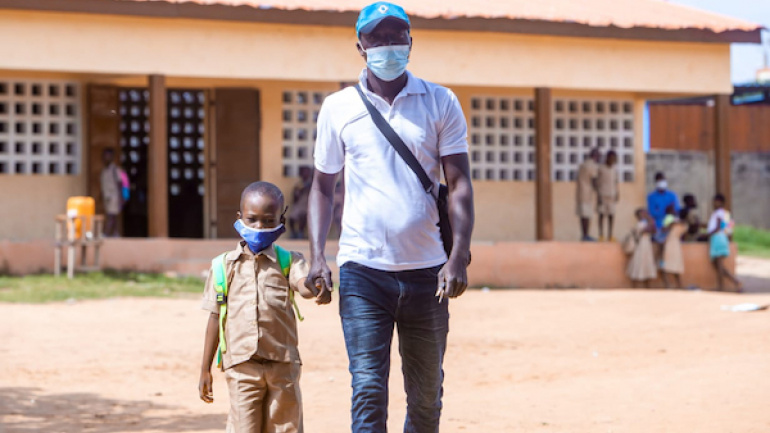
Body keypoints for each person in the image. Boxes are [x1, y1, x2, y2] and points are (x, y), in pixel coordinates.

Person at [306, 3, 474, 432]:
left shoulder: (441, 101)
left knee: (425, 396)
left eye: (396, 36)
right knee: (367, 389)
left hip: (427, 275)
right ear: (360, 46)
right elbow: (323, 187)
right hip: (363, 271)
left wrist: (457, 257)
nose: (387, 46)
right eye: (377, 38)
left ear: (411, 43)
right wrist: (317, 257)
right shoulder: (338, 108)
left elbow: (459, 185)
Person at [197, 181, 327, 433]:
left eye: (268, 221)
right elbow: (215, 317)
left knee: (286, 427)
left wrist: (316, 285)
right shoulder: (223, 267)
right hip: (241, 365)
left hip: (283, 365)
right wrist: (205, 369)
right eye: (252, 219)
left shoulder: (289, 261)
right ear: (239, 218)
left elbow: (303, 285)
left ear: (281, 219)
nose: (259, 227)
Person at [707, 193, 742, 292]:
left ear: (720, 202)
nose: (713, 204)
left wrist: (708, 234)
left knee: (719, 265)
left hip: (717, 238)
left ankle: (732, 283)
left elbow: (718, 227)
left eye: (715, 201)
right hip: (722, 238)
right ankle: (726, 284)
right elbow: (729, 229)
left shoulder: (718, 213)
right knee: (717, 265)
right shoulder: (726, 214)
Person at [627, 208, 658, 288]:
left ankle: (647, 286)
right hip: (641, 245)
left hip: (647, 245)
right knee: (638, 262)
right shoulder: (640, 224)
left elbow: (654, 230)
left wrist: (650, 220)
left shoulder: (646, 223)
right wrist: (650, 219)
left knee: (646, 262)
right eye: (643, 213)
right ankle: (634, 286)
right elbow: (647, 230)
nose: (645, 215)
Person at [576, 148, 601, 241]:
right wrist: (598, 192)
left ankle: (584, 234)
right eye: (599, 156)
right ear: (595, 156)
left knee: (583, 215)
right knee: (586, 214)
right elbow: (594, 179)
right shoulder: (592, 165)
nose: (599, 159)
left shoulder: (582, 164)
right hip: (587, 193)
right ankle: (586, 235)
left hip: (580, 192)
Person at [660, 204, 685, 288]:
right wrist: (670, 224)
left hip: (675, 244)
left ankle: (679, 286)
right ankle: (668, 286)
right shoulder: (668, 219)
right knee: (664, 265)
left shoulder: (678, 220)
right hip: (668, 244)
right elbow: (663, 229)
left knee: (676, 265)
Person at [100, 148, 123, 237]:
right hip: (107, 196)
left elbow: (119, 184)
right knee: (112, 216)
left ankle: (107, 233)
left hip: (114, 196)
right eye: (105, 156)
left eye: (108, 156)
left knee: (111, 215)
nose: (106, 158)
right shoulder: (104, 170)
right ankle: (115, 233)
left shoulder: (115, 170)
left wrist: (121, 198)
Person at [597, 150, 619, 241]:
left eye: (614, 158)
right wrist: (598, 195)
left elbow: (615, 182)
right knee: (601, 215)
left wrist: (618, 193)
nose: (612, 160)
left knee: (611, 215)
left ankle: (610, 235)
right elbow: (597, 182)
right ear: (607, 157)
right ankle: (601, 235)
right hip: (603, 195)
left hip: (612, 195)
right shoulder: (601, 168)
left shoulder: (614, 170)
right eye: (611, 158)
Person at [289, 166, 313, 239]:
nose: (305, 174)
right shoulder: (298, 185)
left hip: (308, 206)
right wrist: (298, 192)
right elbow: (294, 199)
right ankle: (293, 233)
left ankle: (300, 233)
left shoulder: (312, 184)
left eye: (307, 172)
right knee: (291, 218)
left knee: (303, 215)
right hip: (299, 205)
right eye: (303, 172)